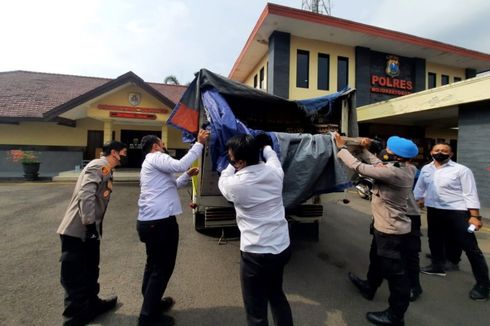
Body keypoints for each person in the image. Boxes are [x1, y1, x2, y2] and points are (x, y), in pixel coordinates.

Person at [335, 134, 418, 326]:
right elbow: (378, 163)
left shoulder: (395, 173)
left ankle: (395, 316)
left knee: (396, 275)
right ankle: (369, 286)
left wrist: (342, 148)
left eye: (388, 150)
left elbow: (359, 167)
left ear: (395, 155)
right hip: (383, 228)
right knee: (376, 260)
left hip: (391, 232)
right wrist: (363, 150)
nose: (385, 152)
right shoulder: (404, 167)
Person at [218, 133, 293, 326]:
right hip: (281, 248)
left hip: (256, 255)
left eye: (231, 157)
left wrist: (229, 164)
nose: (230, 159)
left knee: (256, 311)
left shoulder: (235, 185)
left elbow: (224, 178)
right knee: (276, 295)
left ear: (240, 162)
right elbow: (272, 156)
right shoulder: (275, 173)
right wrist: (266, 145)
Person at [136, 129, 209, 326]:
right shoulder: (155, 157)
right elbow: (179, 164)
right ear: (155, 146)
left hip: (150, 222)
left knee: (153, 265)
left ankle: (151, 303)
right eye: (161, 143)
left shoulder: (149, 165)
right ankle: (147, 318)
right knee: (162, 267)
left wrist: (186, 175)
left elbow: (171, 185)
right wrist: (199, 143)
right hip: (160, 223)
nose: (164, 146)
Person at [57, 140, 128, 326]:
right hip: (77, 231)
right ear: (114, 152)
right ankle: (75, 314)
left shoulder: (106, 169)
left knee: (90, 269)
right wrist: (89, 226)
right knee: (74, 273)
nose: (125, 156)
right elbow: (86, 194)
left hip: (89, 231)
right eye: (124, 152)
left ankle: (92, 304)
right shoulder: (99, 165)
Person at [413, 143, 489, 300]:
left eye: (444, 150)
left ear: (451, 154)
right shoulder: (426, 169)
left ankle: (483, 284)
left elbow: (470, 193)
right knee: (434, 239)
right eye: (437, 150)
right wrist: (415, 203)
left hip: (457, 212)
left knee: (470, 247)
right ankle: (437, 266)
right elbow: (420, 188)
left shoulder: (461, 170)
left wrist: (475, 216)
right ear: (431, 152)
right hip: (433, 210)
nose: (440, 152)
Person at [380, 150, 423, 302]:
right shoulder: (409, 169)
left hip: (406, 214)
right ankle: (374, 281)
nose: (387, 153)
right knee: (384, 251)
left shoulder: (406, 170)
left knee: (408, 254)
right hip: (396, 214)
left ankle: (413, 286)